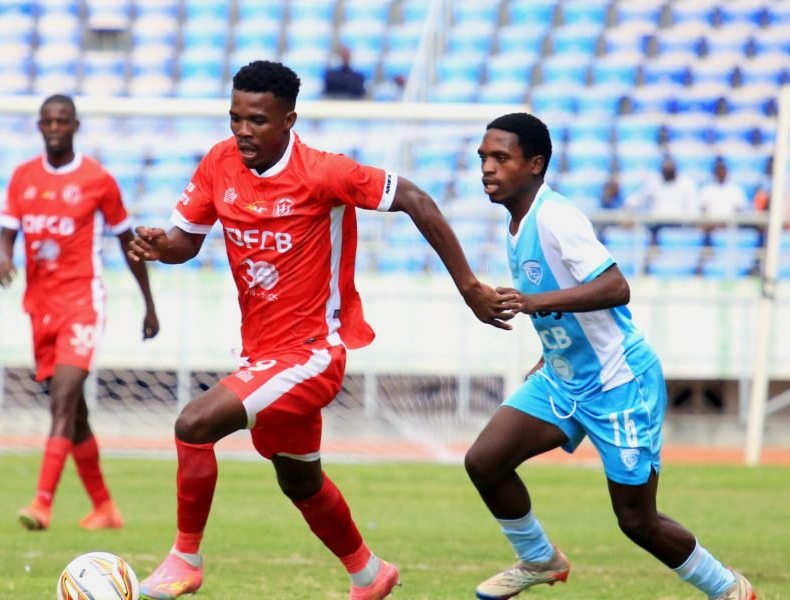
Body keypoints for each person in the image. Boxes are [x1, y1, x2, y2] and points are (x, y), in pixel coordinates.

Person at [126, 61, 512, 600]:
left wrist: (469, 285)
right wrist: (156, 244)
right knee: (299, 480)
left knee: (193, 424)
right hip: (261, 356)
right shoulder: (219, 163)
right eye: (235, 117)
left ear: (289, 119)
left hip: (312, 354)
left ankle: (184, 559)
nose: (242, 131)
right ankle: (368, 572)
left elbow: (417, 200)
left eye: (256, 120)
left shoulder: (324, 172)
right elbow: (185, 241)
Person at [465, 113, 755, 600]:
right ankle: (539, 558)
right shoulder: (517, 225)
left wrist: (534, 303)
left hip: (619, 384)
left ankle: (729, 589)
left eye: (500, 158)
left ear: (535, 165)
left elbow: (616, 287)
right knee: (485, 461)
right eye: (482, 159)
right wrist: (548, 353)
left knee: (637, 521)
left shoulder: (557, 217)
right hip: (563, 380)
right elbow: (564, 308)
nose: (487, 169)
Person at [0, 94, 160, 532]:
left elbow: (129, 244)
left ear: (75, 126)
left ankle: (42, 504)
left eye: (62, 120)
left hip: (83, 304)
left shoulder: (97, 180)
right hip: (40, 307)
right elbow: (5, 236)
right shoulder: (22, 178)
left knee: (62, 400)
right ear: (39, 125)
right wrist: (2, 259)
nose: (54, 127)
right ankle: (104, 508)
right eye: (47, 120)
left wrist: (149, 304)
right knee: (76, 414)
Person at [623, 155, 700, 217]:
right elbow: (637, 198)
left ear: (675, 169)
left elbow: (692, 207)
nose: (667, 168)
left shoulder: (686, 183)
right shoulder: (654, 181)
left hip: (679, 223)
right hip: (657, 223)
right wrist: (629, 204)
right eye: (665, 168)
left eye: (670, 167)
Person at [697, 157, 749, 221]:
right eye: (718, 170)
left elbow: (740, 210)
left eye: (723, 170)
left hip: (731, 226)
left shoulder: (736, 190)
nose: (721, 173)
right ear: (714, 172)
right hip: (711, 226)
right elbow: (702, 209)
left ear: (727, 171)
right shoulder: (706, 189)